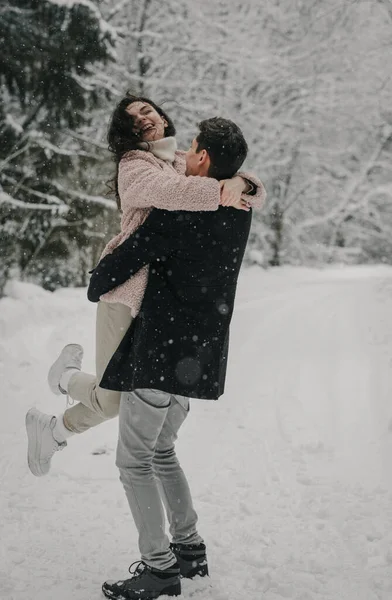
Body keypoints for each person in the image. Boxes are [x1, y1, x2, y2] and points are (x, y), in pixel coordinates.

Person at [25, 95, 265, 475]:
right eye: (133, 117)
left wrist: (242, 182)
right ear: (127, 132)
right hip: (125, 290)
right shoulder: (135, 166)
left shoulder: (176, 162)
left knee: (119, 397)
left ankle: (53, 430)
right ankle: (66, 378)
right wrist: (225, 191)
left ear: (163, 118)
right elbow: (175, 194)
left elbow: (236, 181)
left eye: (147, 110)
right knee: (114, 401)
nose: (143, 118)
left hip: (157, 303)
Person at [84, 117, 265, 600]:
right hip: (200, 351)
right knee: (162, 451)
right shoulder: (241, 206)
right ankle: (189, 548)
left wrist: (95, 283)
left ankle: (160, 568)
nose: (184, 153)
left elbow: (128, 257)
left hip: (163, 346)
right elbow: (249, 190)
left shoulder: (178, 211)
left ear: (203, 158)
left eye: (192, 148)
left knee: (134, 461)